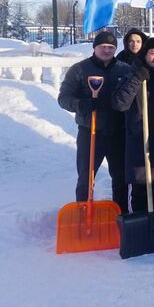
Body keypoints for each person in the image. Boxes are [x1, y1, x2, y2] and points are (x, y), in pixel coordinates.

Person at [58, 31, 131, 214]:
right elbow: (64, 98)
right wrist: (82, 104)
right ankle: (83, 213)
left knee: (120, 178)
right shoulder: (80, 69)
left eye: (111, 47)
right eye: (103, 47)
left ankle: (121, 215)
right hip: (90, 132)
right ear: (95, 47)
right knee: (85, 177)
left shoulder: (124, 70)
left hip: (118, 132)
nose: (107, 50)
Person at [111, 36, 154, 212]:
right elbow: (119, 103)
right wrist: (137, 78)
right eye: (153, 53)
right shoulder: (132, 74)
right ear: (145, 54)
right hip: (140, 142)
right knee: (140, 189)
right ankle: (141, 223)